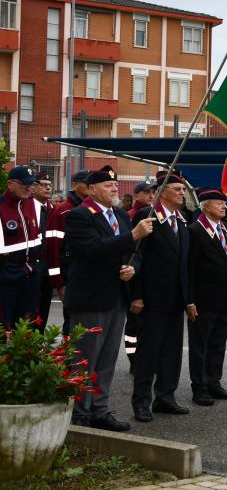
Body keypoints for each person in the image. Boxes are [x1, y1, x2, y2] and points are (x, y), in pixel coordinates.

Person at [64, 165, 156, 431]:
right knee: (85, 357)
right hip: (91, 298)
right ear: (92, 190)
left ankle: (100, 409)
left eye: (115, 186)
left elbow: (134, 251)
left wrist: (132, 267)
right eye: (108, 186)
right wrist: (133, 235)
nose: (114, 189)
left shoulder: (120, 215)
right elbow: (93, 249)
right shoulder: (80, 215)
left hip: (117, 296)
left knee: (107, 358)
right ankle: (80, 412)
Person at [130, 170, 191, 423]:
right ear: (162, 192)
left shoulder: (183, 220)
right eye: (178, 189)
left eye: (184, 190)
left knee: (172, 351)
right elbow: (136, 258)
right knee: (148, 352)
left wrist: (189, 299)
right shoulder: (148, 217)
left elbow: (184, 264)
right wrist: (137, 295)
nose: (183, 193)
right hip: (152, 298)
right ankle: (142, 401)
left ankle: (165, 397)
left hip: (175, 299)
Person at [186, 188, 227, 406]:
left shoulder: (224, 228)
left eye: (224, 203)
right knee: (200, 345)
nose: (224, 206)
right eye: (219, 203)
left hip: (224, 299)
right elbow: (188, 269)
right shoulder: (195, 231)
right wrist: (189, 300)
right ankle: (199, 387)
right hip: (203, 300)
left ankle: (213, 382)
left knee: (218, 343)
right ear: (205, 205)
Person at [46, 169, 90, 333]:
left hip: (86, 276)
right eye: (87, 183)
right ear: (76, 185)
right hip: (69, 276)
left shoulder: (90, 208)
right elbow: (52, 248)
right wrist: (59, 282)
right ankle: (68, 357)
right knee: (72, 323)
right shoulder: (62, 210)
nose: (90, 186)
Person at [0, 166, 43, 329]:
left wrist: (38, 268)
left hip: (31, 274)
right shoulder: (1, 207)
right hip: (7, 275)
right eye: (24, 185)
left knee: (27, 325)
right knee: (3, 325)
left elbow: (40, 238)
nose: (29, 189)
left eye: (31, 185)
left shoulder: (33, 204)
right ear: (10, 184)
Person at [124, 181, 156, 370]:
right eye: (146, 193)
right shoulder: (130, 216)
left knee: (146, 325)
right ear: (136, 196)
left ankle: (145, 358)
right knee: (133, 325)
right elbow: (132, 254)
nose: (151, 195)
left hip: (148, 281)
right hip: (133, 279)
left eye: (153, 192)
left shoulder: (153, 216)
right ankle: (133, 359)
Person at [30, 172, 55, 330]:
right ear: (33, 188)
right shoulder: (26, 208)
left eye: (50, 185)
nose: (48, 188)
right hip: (31, 269)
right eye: (43, 184)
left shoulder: (54, 209)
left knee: (43, 312)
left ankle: (37, 350)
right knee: (28, 313)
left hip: (49, 270)